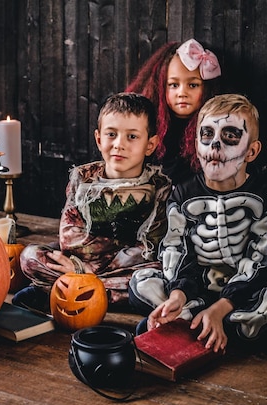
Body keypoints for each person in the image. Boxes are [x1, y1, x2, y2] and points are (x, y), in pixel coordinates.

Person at [128, 94, 267, 352]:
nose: (215, 144)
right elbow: (176, 249)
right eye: (207, 134)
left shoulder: (265, 197)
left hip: (243, 294)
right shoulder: (183, 192)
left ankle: (201, 321)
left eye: (230, 136)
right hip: (193, 287)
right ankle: (194, 316)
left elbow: (261, 262)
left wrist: (221, 308)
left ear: (251, 151)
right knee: (140, 283)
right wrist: (177, 295)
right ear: (197, 145)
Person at [12, 92, 172, 311]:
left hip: (126, 271)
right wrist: (79, 267)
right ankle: (102, 295)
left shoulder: (159, 187)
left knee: (160, 275)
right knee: (30, 256)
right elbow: (69, 236)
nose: (119, 144)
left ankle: (62, 291)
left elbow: (149, 246)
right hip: (77, 263)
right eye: (111, 134)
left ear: (150, 144)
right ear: (99, 139)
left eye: (132, 137)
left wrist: (87, 274)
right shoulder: (83, 179)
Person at [126, 38, 222, 184]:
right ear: (160, 86)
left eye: (193, 85)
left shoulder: (215, 128)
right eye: (173, 85)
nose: (182, 92)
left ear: (207, 87)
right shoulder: (150, 124)